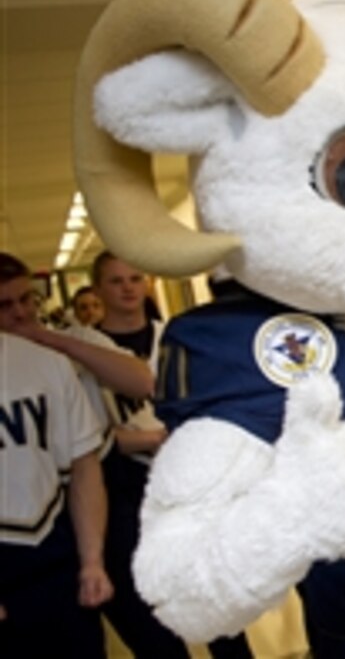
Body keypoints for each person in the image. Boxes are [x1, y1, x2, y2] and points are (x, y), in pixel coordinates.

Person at [92, 251, 254, 658]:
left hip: (193, 484)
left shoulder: (178, 336)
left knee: (217, 603)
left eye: (135, 278)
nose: (128, 288)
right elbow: (84, 436)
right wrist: (142, 440)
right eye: (116, 281)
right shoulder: (87, 350)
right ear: (98, 289)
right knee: (153, 612)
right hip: (128, 489)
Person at [0, 277, 114, 656]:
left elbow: (84, 466)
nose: (16, 312)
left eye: (23, 300)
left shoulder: (48, 365)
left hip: (54, 552)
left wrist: (92, 562)